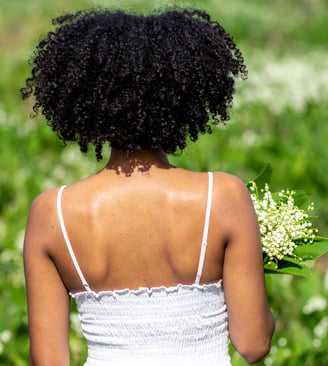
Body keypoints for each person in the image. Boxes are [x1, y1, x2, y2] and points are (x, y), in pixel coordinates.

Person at [21, 7, 274, 366]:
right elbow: (253, 343)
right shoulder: (223, 197)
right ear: (184, 93)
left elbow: (47, 361)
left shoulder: (53, 213)